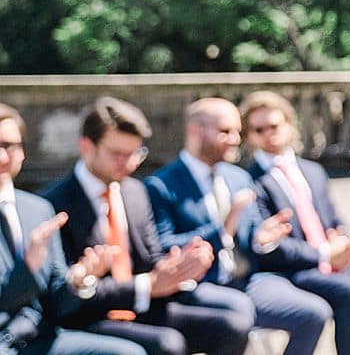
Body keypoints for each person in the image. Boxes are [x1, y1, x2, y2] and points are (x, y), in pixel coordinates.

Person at [42, 97, 254, 355]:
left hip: (144, 304)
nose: (128, 163)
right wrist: (147, 284)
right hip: (91, 316)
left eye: (135, 154)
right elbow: (62, 295)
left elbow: (151, 258)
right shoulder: (54, 204)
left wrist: (179, 265)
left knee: (232, 326)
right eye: (117, 154)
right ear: (87, 147)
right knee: (167, 344)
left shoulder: (135, 190)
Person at [145, 98, 332, 355]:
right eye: (225, 132)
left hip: (248, 279)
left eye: (237, 131)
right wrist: (223, 229)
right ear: (196, 131)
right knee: (239, 311)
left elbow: (253, 233)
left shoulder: (238, 177)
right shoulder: (161, 185)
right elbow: (163, 246)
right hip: (202, 285)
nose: (235, 139)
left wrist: (262, 238)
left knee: (314, 313)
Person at [241, 91, 350, 355]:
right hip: (293, 271)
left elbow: (333, 218)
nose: (268, 134)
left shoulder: (311, 170)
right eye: (258, 130)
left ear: (288, 125)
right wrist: (325, 255)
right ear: (249, 136)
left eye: (274, 126)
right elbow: (269, 246)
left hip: (332, 260)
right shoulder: (250, 181)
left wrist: (344, 244)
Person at [0, 103, 144, 355]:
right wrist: (28, 269)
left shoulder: (39, 208)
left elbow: (58, 305)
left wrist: (80, 279)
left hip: (40, 338)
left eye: (10, 146)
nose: (3, 157)